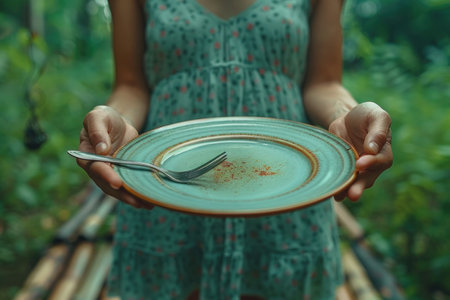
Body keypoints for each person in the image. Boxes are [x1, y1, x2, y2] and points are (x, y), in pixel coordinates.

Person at [77, 0, 393, 299]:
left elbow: (322, 82)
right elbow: (131, 85)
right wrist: (114, 120)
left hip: (287, 205)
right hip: (168, 203)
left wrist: (344, 115)